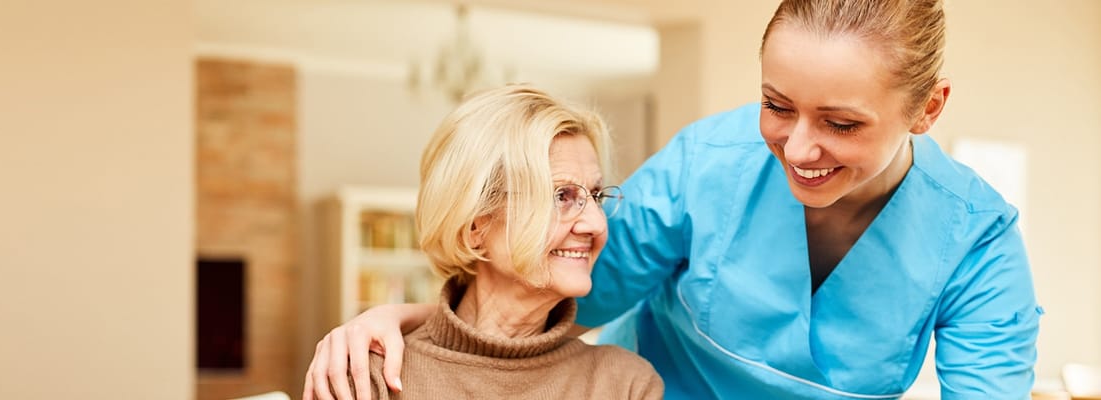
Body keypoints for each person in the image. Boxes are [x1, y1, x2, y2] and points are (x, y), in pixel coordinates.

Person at [306, 0, 1042, 398]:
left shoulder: (977, 242)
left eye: (842, 123)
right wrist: (401, 322)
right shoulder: (707, 168)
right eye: (776, 105)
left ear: (928, 109)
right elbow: (548, 285)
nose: (797, 147)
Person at [307, 84, 663, 399]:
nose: (595, 223)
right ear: (475, 227)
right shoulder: (368, 375)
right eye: (561, 196)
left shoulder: (624, 384)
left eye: (597, 196)